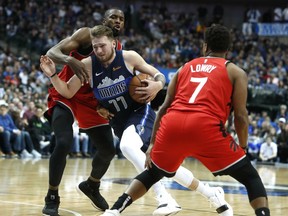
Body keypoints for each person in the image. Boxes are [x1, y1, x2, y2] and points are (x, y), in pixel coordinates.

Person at [40, 25, 233, 216]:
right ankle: (211, 193)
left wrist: (157, 85)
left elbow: (157, 74)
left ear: (114, 44)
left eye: (103, 46)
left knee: (127, 147)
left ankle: (164, 199)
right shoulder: (89, 65)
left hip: (139, 113)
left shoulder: (128, 57)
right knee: (165, 166)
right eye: (95, 46)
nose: (99, 50)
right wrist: (52, 74)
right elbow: (66, 91)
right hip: (120, 122)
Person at [98, 24, 270, 216]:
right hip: (205, 127)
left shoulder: (184, 68)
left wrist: (152, 143)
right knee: (251, 178)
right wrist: (243, 148)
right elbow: (240, 116)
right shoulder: (236, 72)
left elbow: (163, 107)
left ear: (205, 46)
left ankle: (113, 211)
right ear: (228, 49)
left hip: (172, 124)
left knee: (152, 173)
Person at [41, 8, 125, 216]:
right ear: (104, 19)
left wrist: (103, 105)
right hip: (66, 94)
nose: (117, 21)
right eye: (113, 17)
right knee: (63, 142)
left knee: (108, 150)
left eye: (121, 19)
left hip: (90, 101)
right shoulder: (86, 34)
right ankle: (52, 195)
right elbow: (52, 52)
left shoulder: (119, 49)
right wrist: (70, 60)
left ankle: (92, 185)